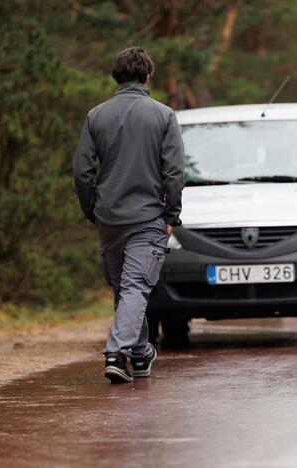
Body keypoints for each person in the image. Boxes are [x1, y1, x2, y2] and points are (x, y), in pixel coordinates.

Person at [73, 47, 185, 383]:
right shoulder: (164, 115)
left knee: (126, 289)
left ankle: (140, 354)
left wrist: (92, 209)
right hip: (149, 217)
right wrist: (171, 213)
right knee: (135, 287)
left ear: (116, 77)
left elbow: (81, 172)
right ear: (148, 76)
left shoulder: (96, 116)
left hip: (109, 217)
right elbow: (175, 173)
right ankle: (116, 354)